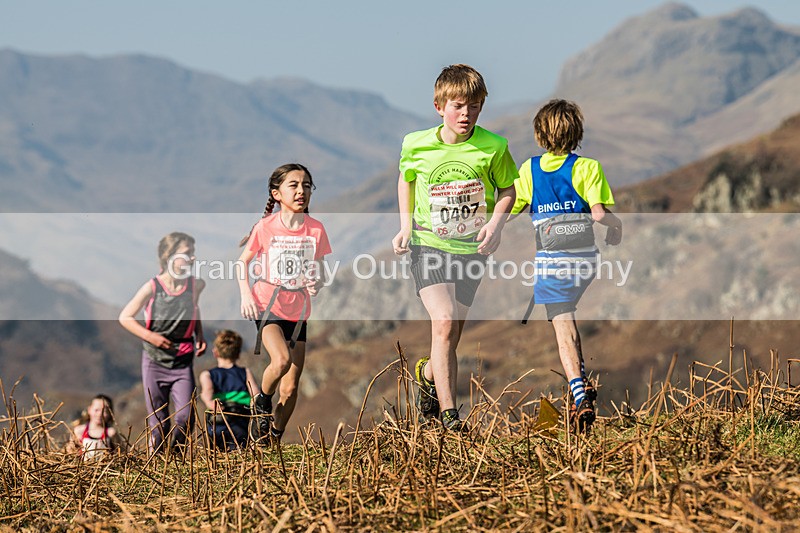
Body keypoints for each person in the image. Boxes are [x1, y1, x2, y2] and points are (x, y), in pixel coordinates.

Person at [392, 64, 518, 431]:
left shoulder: (494, 147)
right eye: (459, 106)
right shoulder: (416, 143)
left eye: (475, 107)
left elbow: (508, 189)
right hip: (428, 244)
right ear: (439, 106)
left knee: (449, 337)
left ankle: (427, 375)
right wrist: (404, 226)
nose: (467, 115)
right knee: (444, 322)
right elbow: (406, 178)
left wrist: (495, 225)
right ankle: (449, 417)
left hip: (472, 249)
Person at [510, 99, 622, 432]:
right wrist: (618, 227)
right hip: (586, 260)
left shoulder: (528, 170)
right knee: (569, 313)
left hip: (552, 261)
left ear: (539, 134)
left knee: (563, 327)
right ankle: (581, 386)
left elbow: (511, 208)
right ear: (577, 132)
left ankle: (579, 393)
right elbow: (600, 214)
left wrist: (488, 230)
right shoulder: (588, 168)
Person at [236, 163, 331, 443]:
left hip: (298, 310)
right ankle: (262, 401)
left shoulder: (315, 229)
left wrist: (317, 282)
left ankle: (272, 438)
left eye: (306, 185)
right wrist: (245, 296)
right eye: (294, 185)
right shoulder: (265, 227)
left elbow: (321, 270)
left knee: (290, 388)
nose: (301, 191)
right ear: (277, 194)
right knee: (281, 360)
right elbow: (242, 263)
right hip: (267, 305)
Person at [119, 232, 207, 454]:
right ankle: (156, 466)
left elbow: (194, 310)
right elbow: (125, 317)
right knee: (158, 423)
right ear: (169, 256)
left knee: (185, 417)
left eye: (193, 253)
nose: (193, 258)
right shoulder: (152, 287)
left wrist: (200, 335)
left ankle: (175, 460)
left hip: (183, 359)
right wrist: (151, 337)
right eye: (188, 253)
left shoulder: (196, 285)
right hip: (154, 361)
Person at [199, 329, 261, 450]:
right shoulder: (245, 372)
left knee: (218, 453)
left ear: (215, 352)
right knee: (241, 451)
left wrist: (211, 404)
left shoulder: (207, 375)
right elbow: (256, 394)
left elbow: (207, 394)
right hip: (243, 420)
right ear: (238, 353)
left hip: (218, 421)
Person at [68, 394, 125, 460]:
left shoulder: (111, 433)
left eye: (104, 411)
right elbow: (70, 453)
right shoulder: (79, 431)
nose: (100, 414)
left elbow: (123, 454)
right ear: (89, 410)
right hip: (83, 469)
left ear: (110, 413)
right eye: (96, 410)